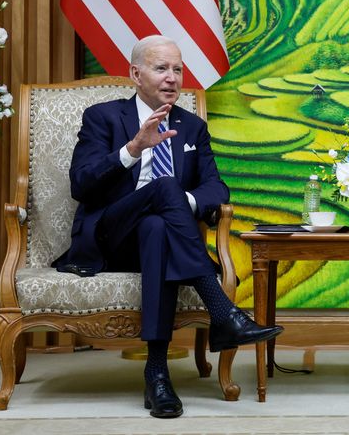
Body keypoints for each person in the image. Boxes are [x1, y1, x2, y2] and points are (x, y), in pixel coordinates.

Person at [53, 35, 283, 418]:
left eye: (178, 69)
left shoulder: (191, 127)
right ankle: (223, 312)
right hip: (111, 236)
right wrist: (132, 150)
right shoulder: (104, 117)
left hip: (158, 242)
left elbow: (215, 187)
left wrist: (181, 202)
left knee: (159, 226)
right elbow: (82, 183)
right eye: (162, 69)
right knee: (164, 186)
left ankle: (156, 374)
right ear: (136, 74)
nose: (173, 78)